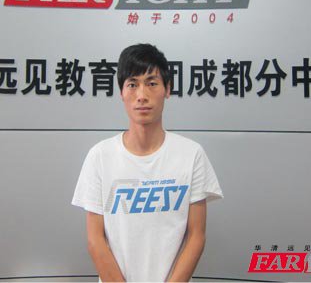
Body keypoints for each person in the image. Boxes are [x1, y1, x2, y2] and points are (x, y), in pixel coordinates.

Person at [72, 43, 223, 282]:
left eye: (152, 83)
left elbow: (196, 236)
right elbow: (95, 240)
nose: (142, 95)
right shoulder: (100, 156)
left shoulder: (191, 154)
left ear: (167, 89)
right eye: (132, 84)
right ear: (121, 92)